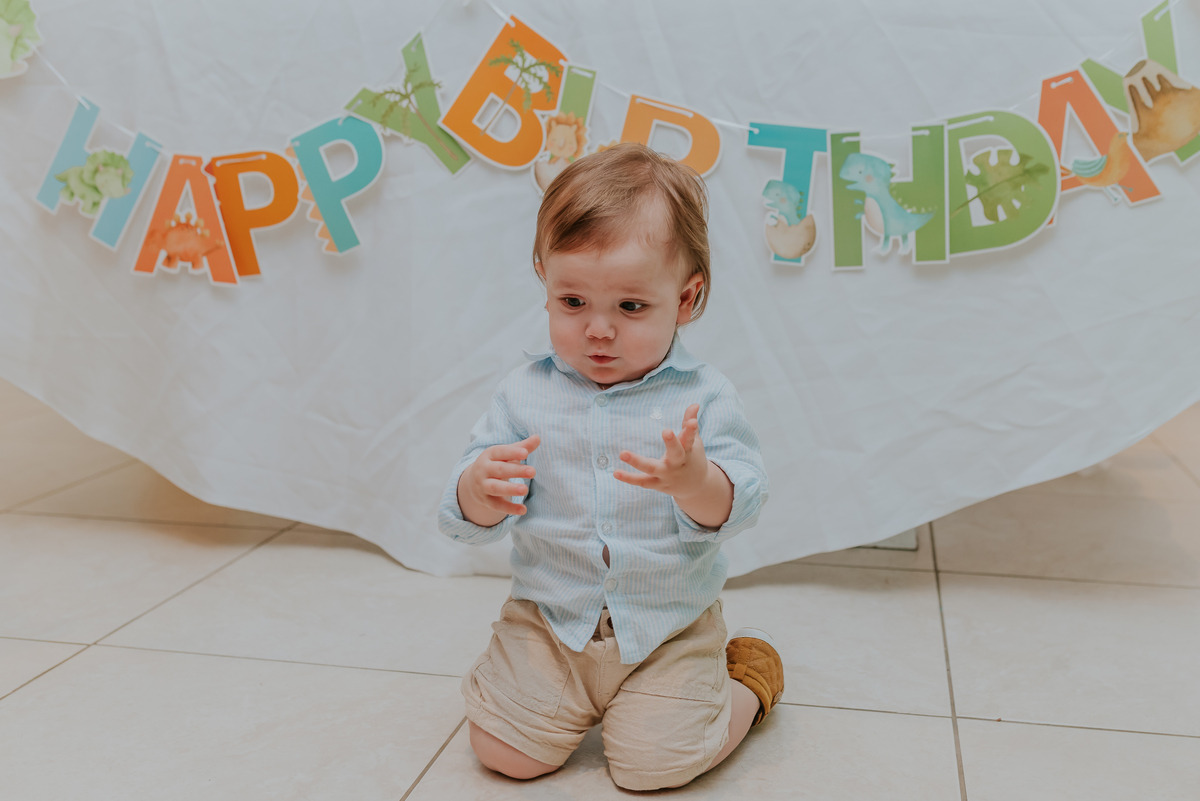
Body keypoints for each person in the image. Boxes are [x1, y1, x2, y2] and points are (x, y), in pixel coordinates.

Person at [437, 142, 781, 791]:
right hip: (549, 624)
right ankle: (577, 702)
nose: (598, 330)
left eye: (630, 307)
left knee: (654, 768)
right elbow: (459, 515)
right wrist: (478, 490)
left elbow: (746, 499)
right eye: (572, 302)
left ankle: (747, 681)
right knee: (503, 753)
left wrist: (697, 483)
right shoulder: (522, 394)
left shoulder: (704, 397)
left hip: (667, 629)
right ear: (544, 278)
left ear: (686, 298)